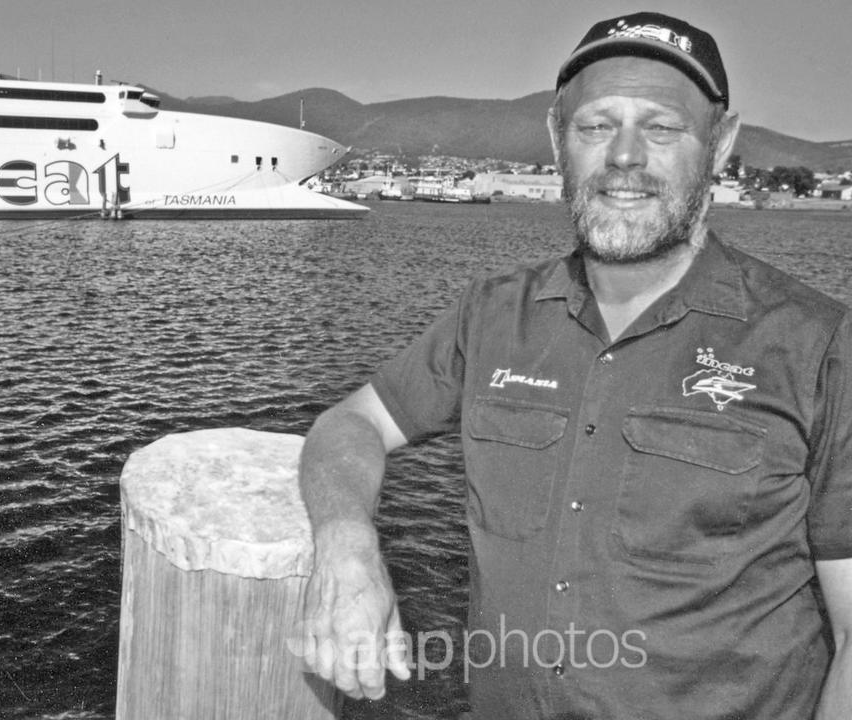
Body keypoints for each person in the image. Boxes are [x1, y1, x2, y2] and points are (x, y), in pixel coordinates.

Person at [296, 11, 852, 719]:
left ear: (721, 144)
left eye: (661, 127)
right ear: (559, 140)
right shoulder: (494, 315)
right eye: (595, 126)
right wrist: (346, 543)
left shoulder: (818, 346)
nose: (623, 157)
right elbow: (353, 423)